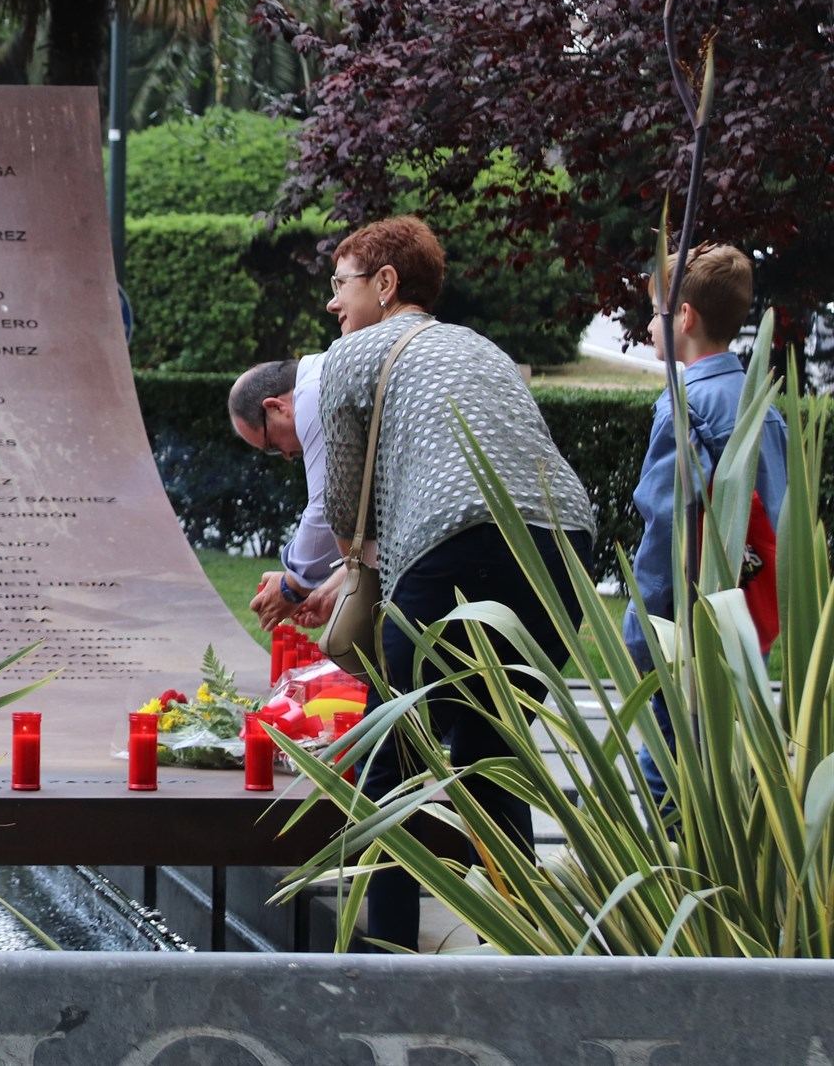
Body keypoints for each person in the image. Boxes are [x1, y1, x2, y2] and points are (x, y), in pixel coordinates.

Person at [316, 215, 595, 952]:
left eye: (340, 284)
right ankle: (525, 949)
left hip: (454, 543)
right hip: (563, 548)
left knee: (392, 746)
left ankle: (387, 959)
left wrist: (346, 569)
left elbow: (347, 509)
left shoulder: (353, 355)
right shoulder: (481, 348)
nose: (332, 305)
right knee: (489, 747)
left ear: (385, 284)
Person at [625, 243, 786, 806]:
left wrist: (639, 625)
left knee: (667, 771)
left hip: (688, 627)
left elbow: (667, 525)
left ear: (684, 318)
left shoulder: (684, 405)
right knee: (725, 763)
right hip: (748, 618)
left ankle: (673, 890)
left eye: (654, 313)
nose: (649, 327)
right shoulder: (761, 402)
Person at [228, 357, 342, 629]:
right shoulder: (325, 375)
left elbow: (329, 504)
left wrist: (292, 586)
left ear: (276, 407)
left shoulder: (312, 393)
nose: (287, 455)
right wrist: (326, 589)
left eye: (272, 445)